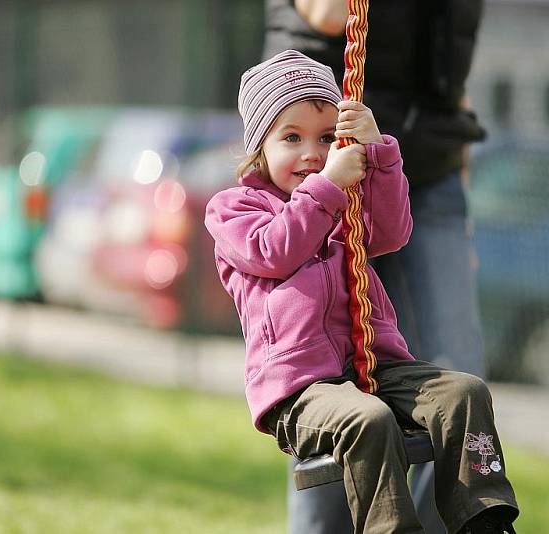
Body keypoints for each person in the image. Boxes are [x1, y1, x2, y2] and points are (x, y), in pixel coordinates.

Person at [205, 49, 517, 534]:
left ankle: (485, 520)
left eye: (327, 138)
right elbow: (273, 250)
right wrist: (327, 188)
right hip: (300, 388)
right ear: (258, 148)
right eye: (292, 137)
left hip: (378, 366)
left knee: (464, 392)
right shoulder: (235, 209)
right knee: (369, 421)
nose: (312, 153)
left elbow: (392, 232)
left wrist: (380, 153)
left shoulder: (340, 201)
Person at [263, 2, 488, 532]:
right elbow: (325, 12)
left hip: (424, 167)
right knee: (328, 368)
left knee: (460, 373)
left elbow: (448, 75)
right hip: (318, 161)